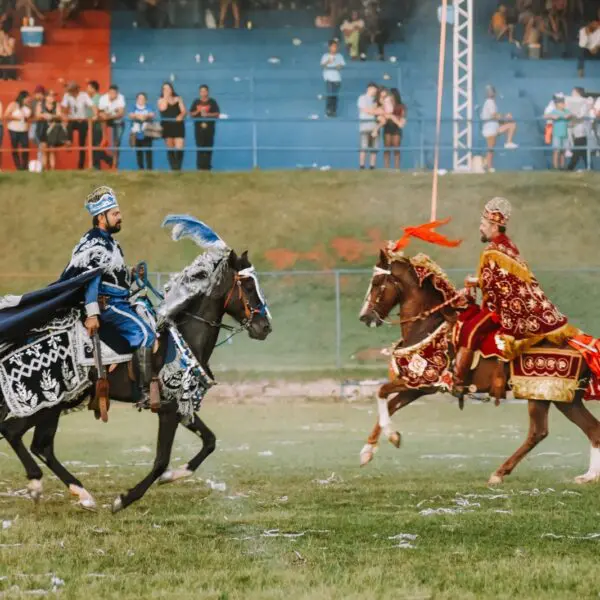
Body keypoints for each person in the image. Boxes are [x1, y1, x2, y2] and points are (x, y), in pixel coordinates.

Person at [453, 197, 577, 399]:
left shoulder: (494, 250)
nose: (480, 228)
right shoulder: (507, 245)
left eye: (483, 225)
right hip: (501, 304)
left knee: (469, 330)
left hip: (499, 311)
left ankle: (458, 382)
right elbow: (501, 280)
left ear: (494, 226)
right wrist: (477, 282)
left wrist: (475, 282)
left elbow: (498, 283)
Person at [60, 186, 159, 409]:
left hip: (119, 300)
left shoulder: (109, 242)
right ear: (101, 217)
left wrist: (132, 274)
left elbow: (113, 277)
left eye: (118, 212)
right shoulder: (96, 243)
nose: (120, 217)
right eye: (115, 214)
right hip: (109, 305)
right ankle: (143, 393)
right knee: (145, 335)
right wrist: (92, 314)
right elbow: (92, 279)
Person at [480, 85, 518, 173]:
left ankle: (508, 142)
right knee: (490, 148)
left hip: (494, 127)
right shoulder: (490, 102)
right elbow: (494, 115)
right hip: (490, 129)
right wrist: (505, 116)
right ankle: (488, 166)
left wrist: (505, 119)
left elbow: (495, 117)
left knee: (511, 125)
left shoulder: (490, 102)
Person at [61, 81, 93, 170]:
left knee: (81, 143)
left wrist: (95, 115)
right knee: (68, 125)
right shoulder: (67, 95)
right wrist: (64, 116)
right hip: (73, 119)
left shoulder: (84, 95)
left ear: (76, 91)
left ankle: (81, 166)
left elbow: (91, 105)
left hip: (82, 120)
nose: (70, 93)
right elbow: (63, 107)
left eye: (71, 91)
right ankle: (68, 141)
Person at [189, 84, 220, 171]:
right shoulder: (196, 102)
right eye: (201, 91)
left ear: (208, 92)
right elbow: (191, 114)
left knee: (209, 147)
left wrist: (208, 114)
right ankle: (199, 167)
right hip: (198, 129)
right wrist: (198, 110)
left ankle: (207, 167)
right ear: (199, 92)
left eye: (205, 91)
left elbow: (217, 114)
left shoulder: (212, 102)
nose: (203, 93)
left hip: (210, 129)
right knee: (199, 147)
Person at [158, 82, 186, 171]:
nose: (166, 90)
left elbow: (184, 111)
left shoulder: (178, 99)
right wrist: (166, 97)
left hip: (178, 125)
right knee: (170, 146)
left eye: (168, 88)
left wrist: (181, 116)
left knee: (180, 145)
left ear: (172, 89)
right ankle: (173, 168)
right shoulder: (160, 100)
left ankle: (178, 167)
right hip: (167, 125)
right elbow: (163, 108)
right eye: (164, 89)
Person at [98, 84, 126, 168]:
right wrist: (105, 115)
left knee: (116, 143)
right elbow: (100, 112)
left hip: (118, 120)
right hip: (108, 119)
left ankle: (114, 163)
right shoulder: (103, 98)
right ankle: (104, 137)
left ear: (117, 94)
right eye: (110, 93)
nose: (112, 95)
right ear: (108, 92)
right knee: (102, 118)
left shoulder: (121, 98)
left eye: (114, 93)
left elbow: (121, 113)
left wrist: (109, 115)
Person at [4, 89, 31, 171]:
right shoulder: (14, 104)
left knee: (25, 147)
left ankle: (24, 166)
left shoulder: (28, 107)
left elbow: (29, 118)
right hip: (13, 129)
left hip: (24, 130)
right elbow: (5, 116)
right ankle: (18, 166)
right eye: (27, 98)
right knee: (15, 148)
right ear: (23, 98)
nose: (29, 99)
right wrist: (15, 118)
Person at [357, 82, 381, 170]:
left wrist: (375, 111)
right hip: (364, 126)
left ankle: (372, 166)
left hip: (375, 126)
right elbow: (364, 110)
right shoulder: (362, 98)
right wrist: (375, 111)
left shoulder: (377, 100)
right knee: (363, 147)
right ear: (370, 88)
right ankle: (362, 166)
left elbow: (380, 111)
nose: (376, 91)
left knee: (374, 148)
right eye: (375, 89)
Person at [129, 92, 155, 171]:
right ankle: (141, 169)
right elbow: (131, 115)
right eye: (139, 98)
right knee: (139, 153)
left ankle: (149, 170)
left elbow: (152, 114)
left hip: (147, 133)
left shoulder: (149, 106)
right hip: (136, 133)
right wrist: (139, 116)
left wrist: (145, 116)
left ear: (146, 100)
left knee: (148, 152)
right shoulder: (133, 107)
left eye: (143, 99)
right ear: (137, 99)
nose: (141, 100)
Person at [36, 90, 61, 171]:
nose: (52, 97)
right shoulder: (40, 104)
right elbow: (37, 115)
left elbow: (59, 115)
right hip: (43, 128)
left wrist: (51, 116)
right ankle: (45, 168)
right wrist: (44, 115)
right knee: (44, 150)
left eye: (53, 96)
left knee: (52, 150)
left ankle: (52, 169)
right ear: (46, 97)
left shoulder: (57, 104)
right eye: (51, 96)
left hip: (53, 129)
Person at [567, 87, 590, 171]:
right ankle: (589, 167)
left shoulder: (584, 103)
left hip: (582, 131)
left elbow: (581, 115)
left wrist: (572, 116)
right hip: (577, 131)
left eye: (573, 92)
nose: (571, 94)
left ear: (577, 93)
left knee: (577, 151)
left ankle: (569, 168)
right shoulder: (575, 104)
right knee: (583, 152)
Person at [320, 39, 345, 118]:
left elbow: (342, 65)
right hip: (329, 79)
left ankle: (334, 111)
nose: (335, 48)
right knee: (330, 95)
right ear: (329, 47)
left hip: (337, 79)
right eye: (333, 46)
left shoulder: (340, 56)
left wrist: (339, 66)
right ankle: (328, 111)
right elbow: (322, 66)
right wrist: (328, 61)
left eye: (336, 47)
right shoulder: (325, 56)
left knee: (335, 96)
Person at [547, 94, 571, 169]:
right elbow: (546, 116)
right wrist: (552, 116)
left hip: (565, 134)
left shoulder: (566, 111)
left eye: (563, 103)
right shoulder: (554, 111)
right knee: (556, 151)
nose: (563, 104)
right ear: (557, 104)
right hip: (557, 134)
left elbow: (571, 115)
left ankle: (562, 167)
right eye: (561, 103)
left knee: (563, 152)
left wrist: (568, 116)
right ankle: (555, 167)